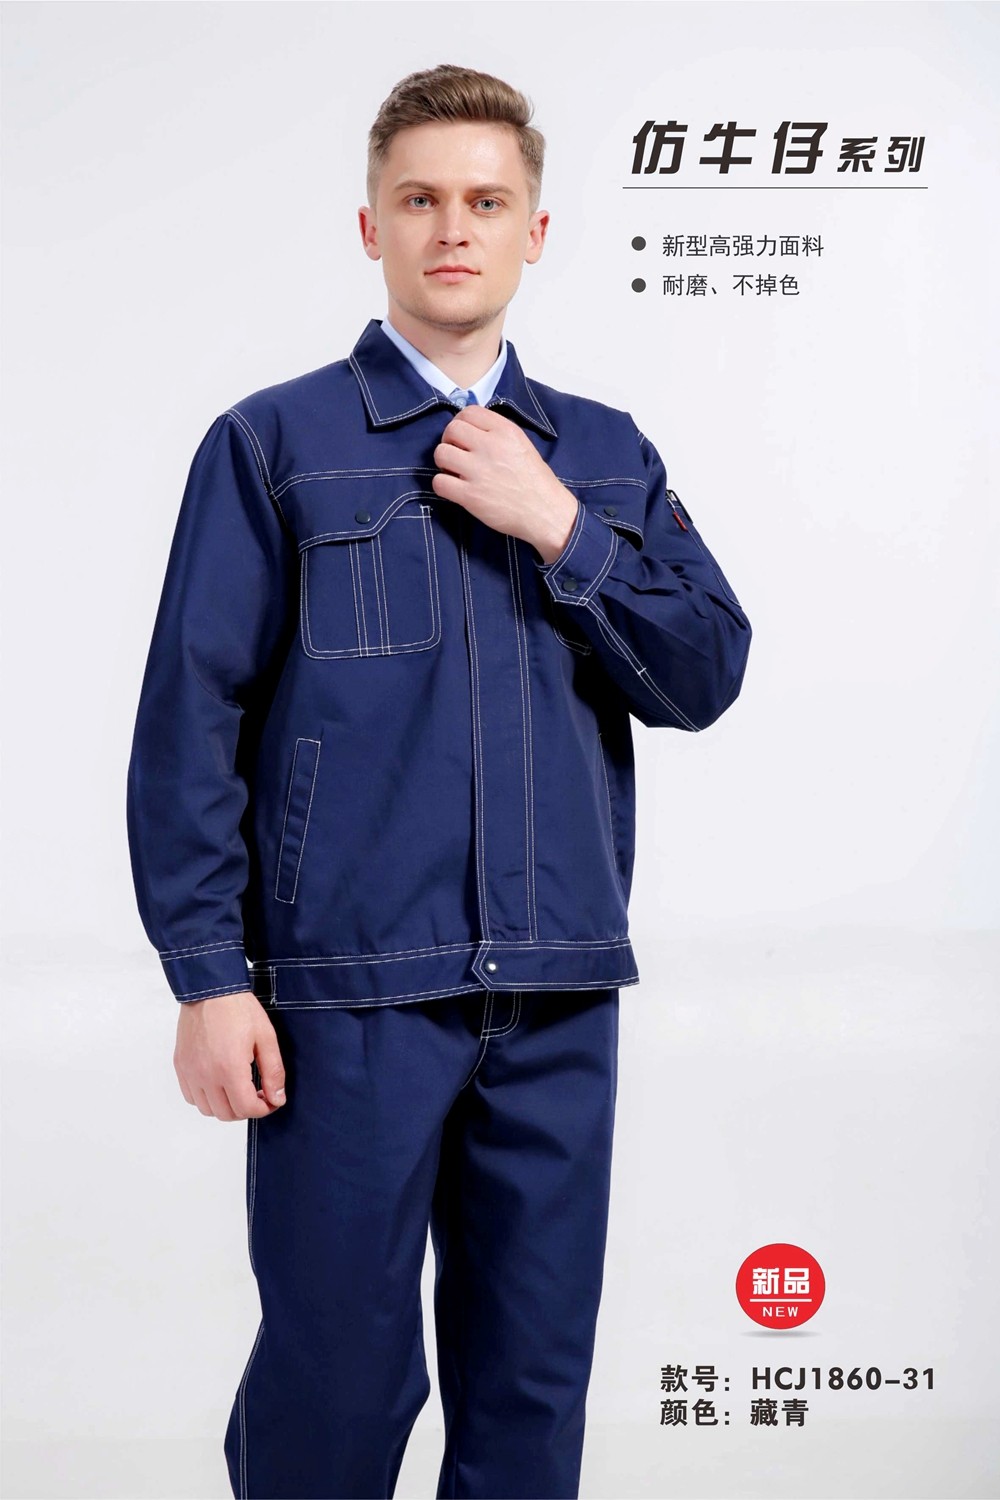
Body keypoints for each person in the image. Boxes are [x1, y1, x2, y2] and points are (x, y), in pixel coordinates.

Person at [126, 62, 752, 1500]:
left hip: (558, 986)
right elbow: (190, 722)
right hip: (348, 995)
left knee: (530, 1384)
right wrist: (207, 976)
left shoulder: (601, 454)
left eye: (485, 200)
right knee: (337, 1380)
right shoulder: (274, 444)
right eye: (419, 199)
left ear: (536, 230)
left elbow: (704, 672)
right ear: (371, 227)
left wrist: (562, 529)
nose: (452, 227)